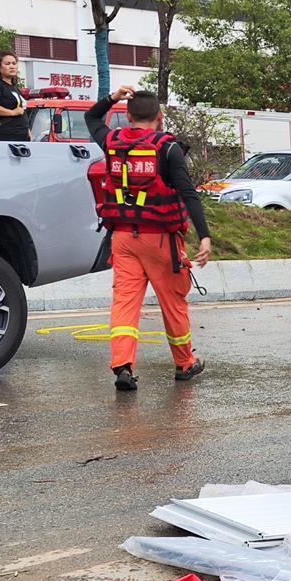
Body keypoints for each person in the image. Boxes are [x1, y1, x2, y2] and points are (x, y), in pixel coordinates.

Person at [85, 86, 211, 391]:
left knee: (125, 305)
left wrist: (111, 98)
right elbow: (187, 193)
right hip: (160, 242)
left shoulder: (112, 141)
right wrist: (204, 236)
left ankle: (123, 366)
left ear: (127, 116)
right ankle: (185, 363)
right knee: (173, 303)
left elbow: (92, 118)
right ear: (160, 117)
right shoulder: (168, 149)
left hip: (123, 239)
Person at [0, 51, 29, 142]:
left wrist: (28, 132)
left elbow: (22, 111)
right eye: (7, 64)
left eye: (14, 63)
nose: (12, 66)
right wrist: (12, 112)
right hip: (5, 136)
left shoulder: (15, 87)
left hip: (22, 136)